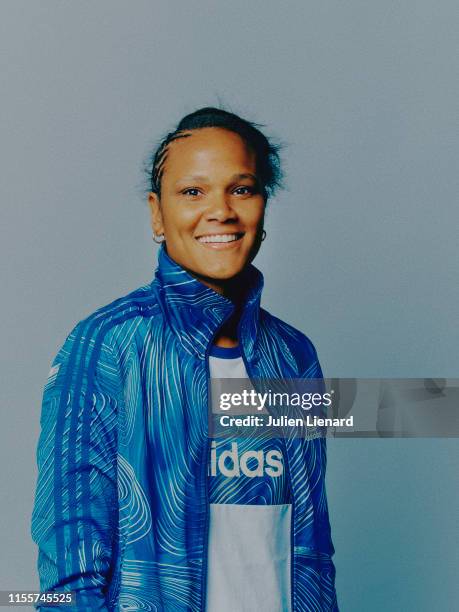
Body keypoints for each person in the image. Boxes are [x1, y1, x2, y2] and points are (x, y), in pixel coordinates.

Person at [31, 107, 338, 611]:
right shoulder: (107, 345)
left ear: (263, 205)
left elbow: (311, 547)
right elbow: (70, 567)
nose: (220, 210)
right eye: (192, 192)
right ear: (157, 213)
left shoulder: (294, 355)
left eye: (242, 188)